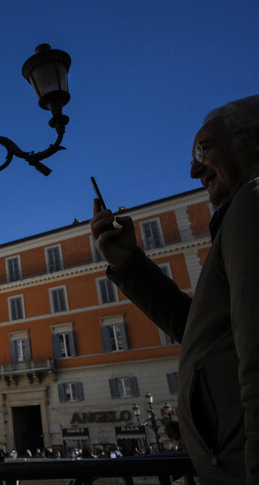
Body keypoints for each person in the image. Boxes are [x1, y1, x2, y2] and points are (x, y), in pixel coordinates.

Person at [90, 95, 259, 484]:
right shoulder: (240, 212)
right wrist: (129, 265)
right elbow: (198, 330)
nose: (193, 169)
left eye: (203, 149)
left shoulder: (251, 201)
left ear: (255, 140)